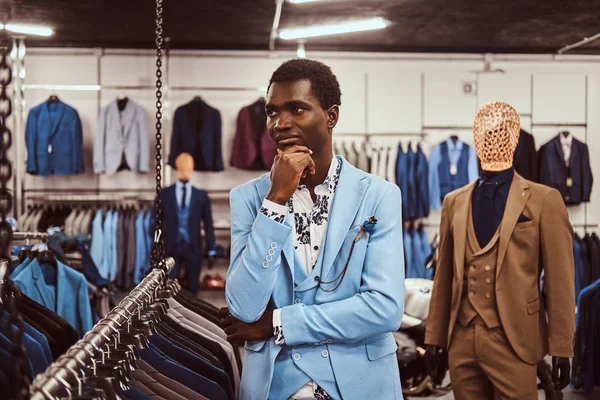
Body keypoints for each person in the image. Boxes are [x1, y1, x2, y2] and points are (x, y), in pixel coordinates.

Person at [220, 59, 405, 400]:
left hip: (361, 383)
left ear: (331, 116)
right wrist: (275, 201)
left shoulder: (379, 196)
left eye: (297, 109)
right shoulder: (248, 199)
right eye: (272, 112)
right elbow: (244, 307)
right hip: (276, 385)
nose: (279, 123)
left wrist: (278, 324)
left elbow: (384, 308)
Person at [424, 102, 575, 399]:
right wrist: (435, 338)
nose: (493, 139)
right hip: (461, 340)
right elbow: (444, 278)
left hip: (515, 340)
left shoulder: (545, 200)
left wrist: (561, 347)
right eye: (485, 133)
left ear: (515, 138)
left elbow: (560, 279)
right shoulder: (454, 202)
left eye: (501, 133)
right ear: (475, 138)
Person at [159, 152, 216, 295]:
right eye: (182, 166)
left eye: (188, 166)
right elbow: (156, 223)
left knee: (193, 291)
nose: (185, 169)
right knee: (169, 290)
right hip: (171, 247)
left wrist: (211, 248)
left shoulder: (201, 195)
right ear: (176, 167)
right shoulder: (165, 194)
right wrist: (156, 248)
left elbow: (208, 224)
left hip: (193, 247)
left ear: (192, 168)